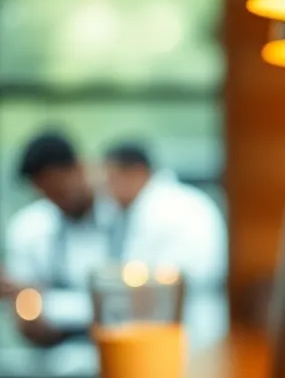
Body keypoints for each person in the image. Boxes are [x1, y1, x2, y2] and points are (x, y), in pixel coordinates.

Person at [3, 133, 117, 345]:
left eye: (60, 192)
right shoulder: (30, 228)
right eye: (47, 195)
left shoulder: (125, 213)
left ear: (81, 168)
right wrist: (27, 310)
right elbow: (27, 320)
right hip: (59, 360)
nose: (56, 203)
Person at [102, 142, 227, 291]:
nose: (108, 191)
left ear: (136, 172)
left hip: (176, 304)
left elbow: (132, 276)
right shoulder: (177, 197)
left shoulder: (155, 209)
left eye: (112, 179)